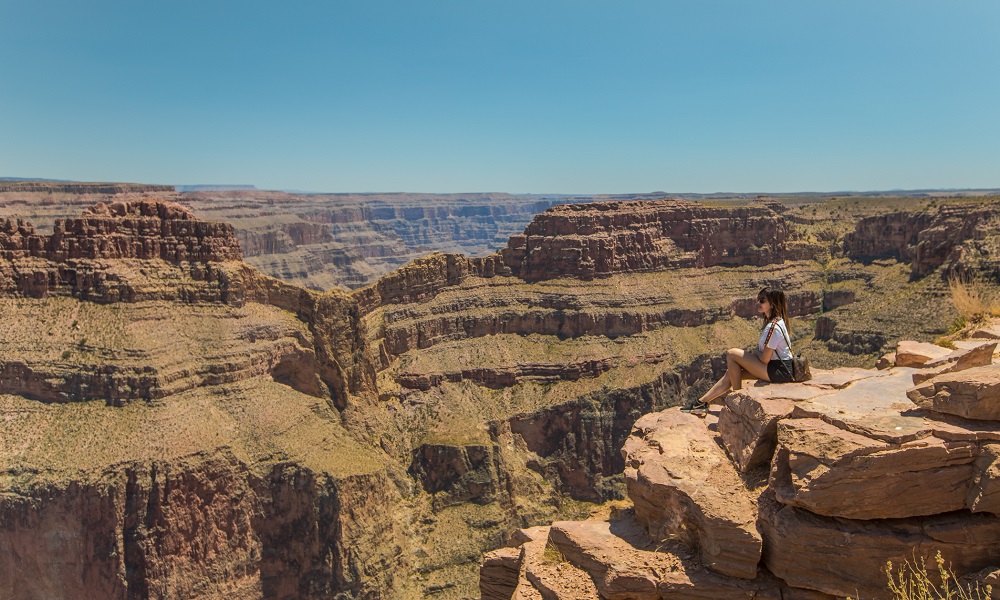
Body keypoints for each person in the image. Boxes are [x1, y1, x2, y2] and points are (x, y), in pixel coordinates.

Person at [681, 287, 795, 415]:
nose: (758, 302)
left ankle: (738, 402)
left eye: (762, 300)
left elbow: (764, 359)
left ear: (772, 304)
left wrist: (755, 352)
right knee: (732, 373)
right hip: (775, 368)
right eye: (758, 299)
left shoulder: (774, 327)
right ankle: (701, 403)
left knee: (732, 353)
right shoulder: (775, 322)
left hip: (778, 371)